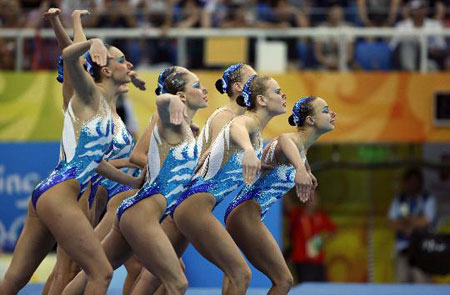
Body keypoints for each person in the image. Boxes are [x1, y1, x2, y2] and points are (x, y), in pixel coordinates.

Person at [0, 28, 139, 295]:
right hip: (62, 192)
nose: (128, 64)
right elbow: (68, 54)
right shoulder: (90, 94)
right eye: (121, 60)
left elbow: (96, 163)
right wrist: (94, 40)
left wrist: (134, 180)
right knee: (100, 273)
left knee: (15, 280)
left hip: (49, 191)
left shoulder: (108, 110)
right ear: (106, 71)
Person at [63, 69, 209, 295]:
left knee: (95, 273)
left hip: (136, 211)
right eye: (198, 85)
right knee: (177, 282)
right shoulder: (167, 115)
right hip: (141, 210)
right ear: (181, 96)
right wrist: (169, 99)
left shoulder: (186, 128)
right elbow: (141, 149)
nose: (204, 90)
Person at [129, 63, 257, 294]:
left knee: (160, 277)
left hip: (179, 199)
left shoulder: (193, 126)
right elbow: (138, 155)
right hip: (170, 200)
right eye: (197, 85)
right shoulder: (218, 118)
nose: (204, 89)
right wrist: (173, 175)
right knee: (140, 273)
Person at [171, 74, 286, 295]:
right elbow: (236, 127)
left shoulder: (257, 132)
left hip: (193, 206)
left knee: (164, 280)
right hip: (195, 206)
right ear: (261, 100)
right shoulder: (246, 120)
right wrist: (250, 151)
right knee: (240, 273)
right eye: (277, 92)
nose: (283, 96)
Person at [224, 95, 336, 292]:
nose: (332, 114)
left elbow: (296, 152)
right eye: (326, 111)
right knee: (284, 280)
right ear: (310, 120)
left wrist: (306, 169)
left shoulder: (300, 152)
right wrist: (301, 169)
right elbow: (284, 139)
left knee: (237, 276)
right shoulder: (291, 141)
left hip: (244, 213)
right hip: (246, 213)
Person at [387, 168, 436, 282]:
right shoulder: (400, 200)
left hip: (422, 249)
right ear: (405, 182)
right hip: (403, 249)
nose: (412, 185)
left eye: (415, 182)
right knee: (400, 283)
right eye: (410, 182)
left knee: (421, 282)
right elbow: (390, 223)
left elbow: (426, 221)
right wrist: (411, 223)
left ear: (420, 183)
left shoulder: (427, 199)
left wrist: (406, 221)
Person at [286, 190, 336, 284]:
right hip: (302, 260)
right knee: (306, 287)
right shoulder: (297, 214)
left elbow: (332, 232)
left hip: (318, 260)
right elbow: (287, 204)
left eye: (315, 198)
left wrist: (321, 239)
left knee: (321, 288)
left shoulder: (321, 216)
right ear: (304, 199)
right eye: (309, 197)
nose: (312, 200)